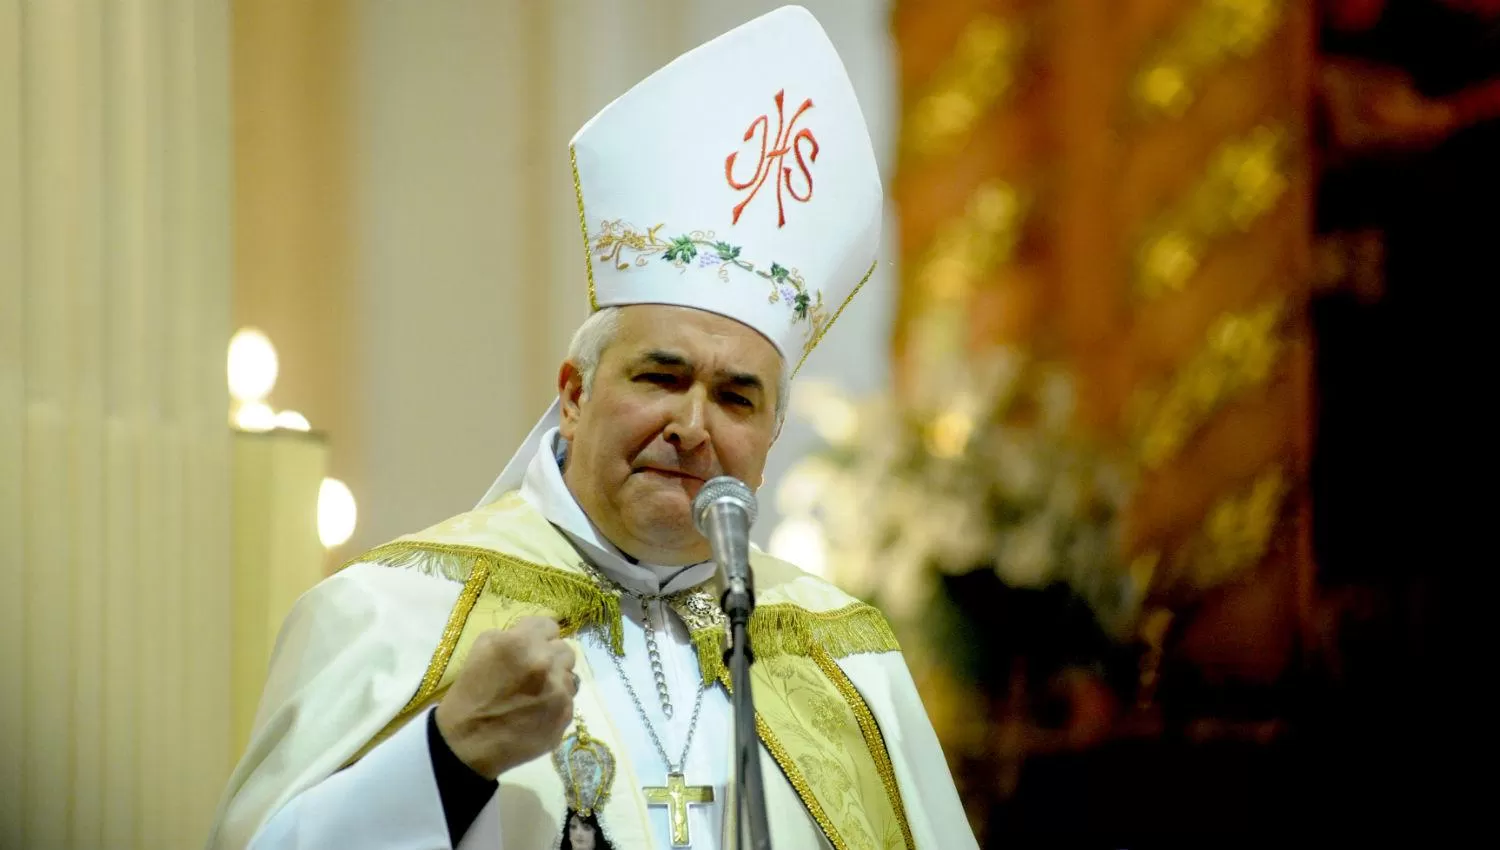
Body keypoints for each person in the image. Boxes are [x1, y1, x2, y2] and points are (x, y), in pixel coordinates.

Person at [205, 7, 977, 850]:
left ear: (771, 435)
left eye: (737, 398)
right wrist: (448, 755)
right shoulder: (394, 614)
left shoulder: (841, 657)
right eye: (661, 376)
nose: (692, 426)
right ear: (574, 392)